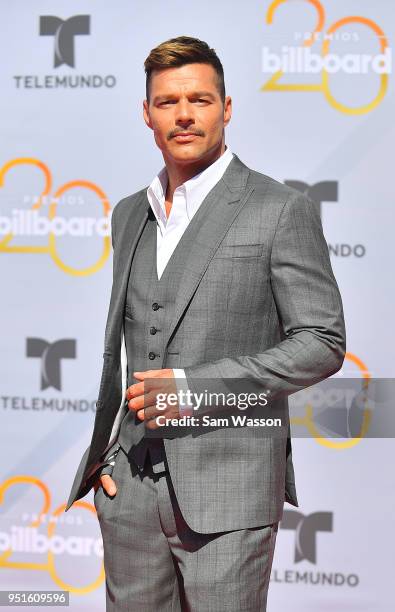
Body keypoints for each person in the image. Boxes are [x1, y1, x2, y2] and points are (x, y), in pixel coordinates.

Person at [65, 36, 346, 611]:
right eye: (167, 102)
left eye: (200, 99)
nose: (185, 115)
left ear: (227, 107)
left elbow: (322, 342)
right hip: (131, 493)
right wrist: (105, 458)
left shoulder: (278, 209)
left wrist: (197, 390)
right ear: (146, 113)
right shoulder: (128, 213)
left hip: (230, 492)